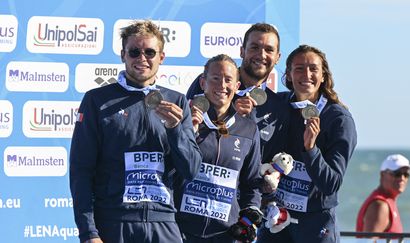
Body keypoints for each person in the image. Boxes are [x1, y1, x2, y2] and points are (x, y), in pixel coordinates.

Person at [69, 20, 202, 243]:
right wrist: (88, 232)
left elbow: (191, 170)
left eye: (150, 52)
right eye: (134, 52)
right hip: (114, 224)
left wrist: (174, 129)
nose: (142, 58)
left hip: (163, 224)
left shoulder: (177, 101)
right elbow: (81, 170)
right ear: (123, 55)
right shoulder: (96, 100)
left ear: (161, 57)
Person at [257, 44, 357, 243]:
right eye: (299, 68)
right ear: (289, 75)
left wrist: (311, 149)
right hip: (277, 219)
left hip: (315, 224)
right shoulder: (278, 106)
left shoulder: (339, 119)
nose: (307, 74)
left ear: (323, 76)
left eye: (313, 69)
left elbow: (331, 184)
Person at [174, 54, 262, 242]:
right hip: (181, 231)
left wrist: (247, 220)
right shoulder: (185, 120)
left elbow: (251, 183)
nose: (222, 85)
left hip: (225, 234)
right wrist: (188, 131)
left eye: (228, 80)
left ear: (237, 86)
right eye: (215, 79)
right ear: (203, 82)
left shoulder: (248, 129)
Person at [186, 23, 289, 167]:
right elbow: (187, 133)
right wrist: (233, 116)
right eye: (254, 47)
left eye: (269, 50)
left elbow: (273, 158)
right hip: (199, 183)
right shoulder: (210, 84)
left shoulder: (279, 107)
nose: (261, 55)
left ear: (277, 57)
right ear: (242, 51)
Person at [356, 154, 410, 235]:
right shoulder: (380, 206)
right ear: (382, 175)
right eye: (397, 173)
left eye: (406, 174)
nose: (402, 178)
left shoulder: (388, 202)